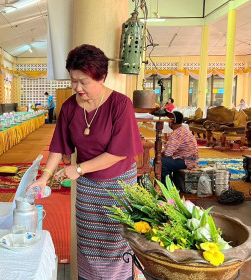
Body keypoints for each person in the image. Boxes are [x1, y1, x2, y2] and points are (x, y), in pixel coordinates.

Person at [27, 44, 144, 280]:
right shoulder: (69, 106)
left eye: (85, 81)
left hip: (119, 185)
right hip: (89, 186)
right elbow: (59, 146)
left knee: (116, 241)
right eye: (73, 80)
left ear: (101, 77)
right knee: (89, 242)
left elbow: (119, 152)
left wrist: (79, 168)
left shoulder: (120, 105)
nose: (77, 87)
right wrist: (44, 177)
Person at [161, 111, 199, 185]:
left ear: (171, 122)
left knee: (162, 162)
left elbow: (167, 153)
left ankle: (166, 187)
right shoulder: (183, 129)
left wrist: (161, 153)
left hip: (187, 161)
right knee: (163, 160)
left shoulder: (177, 133)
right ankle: (171, 184)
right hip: (190, 159)